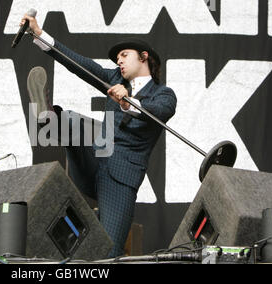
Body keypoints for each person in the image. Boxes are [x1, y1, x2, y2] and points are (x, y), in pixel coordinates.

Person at [22, 14, 177, 257]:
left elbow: (161, 111)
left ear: (144, 56)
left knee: (108, 250)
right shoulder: (114, 78)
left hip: (119, 180)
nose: (120, 62)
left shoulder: (163, 93)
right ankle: (49, 118)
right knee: (73, 123)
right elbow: (80, 65)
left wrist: (128, 103)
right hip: (94, 159)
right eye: (118, 59)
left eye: (124, 56)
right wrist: (39, 34)